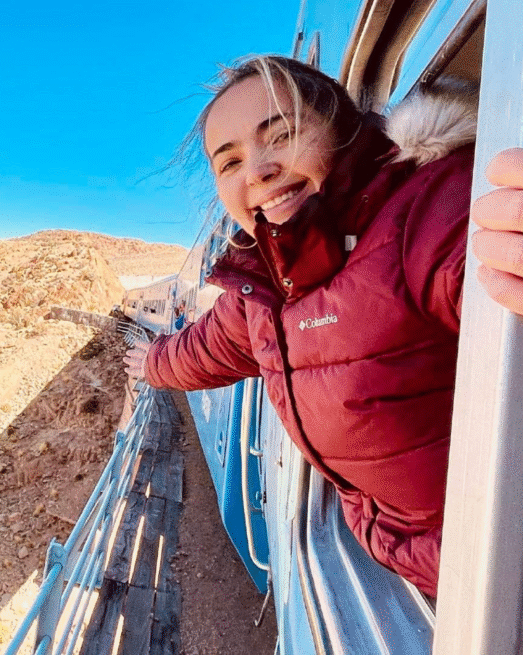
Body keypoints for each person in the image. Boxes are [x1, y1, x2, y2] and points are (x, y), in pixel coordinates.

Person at [123, 55, 523, 598]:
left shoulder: (423, 213)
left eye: (280, 134)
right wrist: (148, 362)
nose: (258, 169)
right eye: (230, 161)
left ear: (343, 129)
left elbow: (483, 266)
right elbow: (202, 350)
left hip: (499, 581)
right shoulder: (260, 285)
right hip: (423, 566)